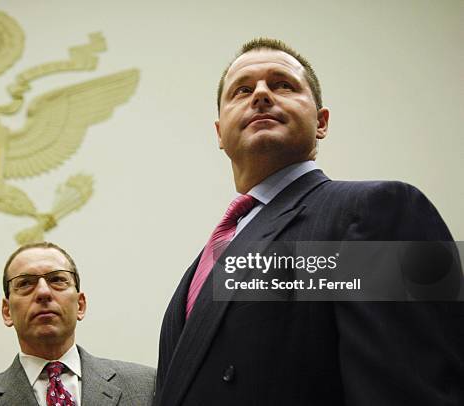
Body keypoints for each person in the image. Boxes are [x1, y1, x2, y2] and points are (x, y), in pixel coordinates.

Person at [154, 38, 463, 405]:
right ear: (220, 133)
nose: (261, 95)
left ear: (321, 122)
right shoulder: (203, 262)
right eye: (242, 90)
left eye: (282, 84)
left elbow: (411, 389)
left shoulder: (378, 211)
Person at [0, 241, 155, 406]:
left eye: (57, 280)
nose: (43, 292)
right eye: (25, 283)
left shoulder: (148, 386)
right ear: (7, 312)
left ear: (80, 305)